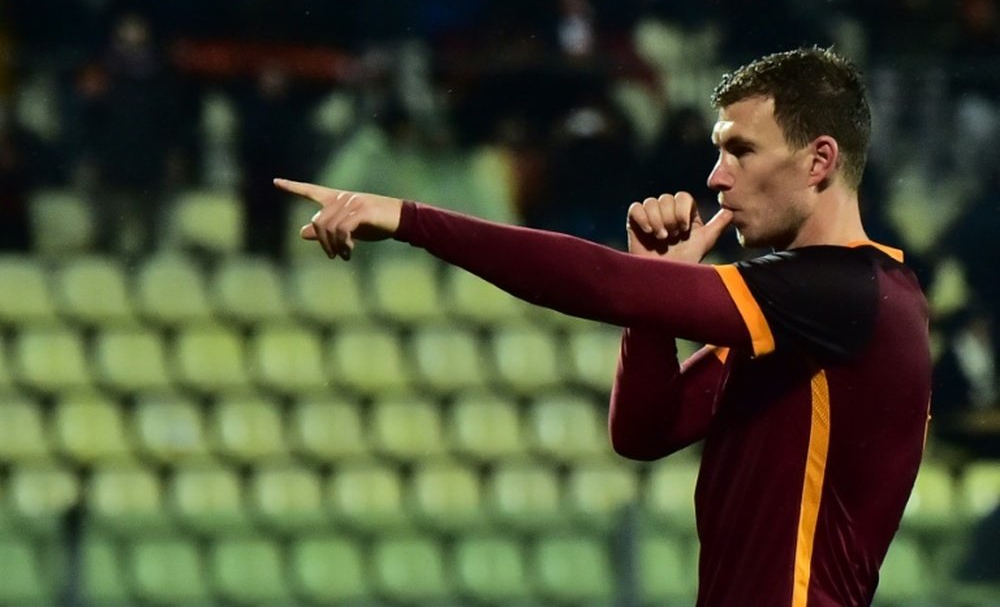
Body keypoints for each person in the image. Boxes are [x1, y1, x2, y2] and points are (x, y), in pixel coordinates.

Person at [275, 47, 932, 606]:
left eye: (741, 150)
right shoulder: (818, 311)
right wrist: (654, 300)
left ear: (819, 161)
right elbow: (646, 432)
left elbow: (600, 283)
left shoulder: (843, 291)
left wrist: (411, 219)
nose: (716, 177)